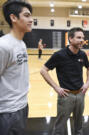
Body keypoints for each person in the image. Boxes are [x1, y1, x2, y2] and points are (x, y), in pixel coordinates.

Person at [40, 27, 89, 135]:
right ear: (70, 39)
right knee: (60, 126)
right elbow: (43, 70)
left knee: (79, 125)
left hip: (80, 94)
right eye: (78, 37)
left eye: (83, 38)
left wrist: (87, 83)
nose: (82, 40)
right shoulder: (59, 55)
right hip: (66, 96)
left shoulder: (82, 54)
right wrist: (56, 87)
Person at [0, 0, 33, 135]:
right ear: (13, 17)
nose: (31, 20)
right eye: (26, 15)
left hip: (22, 106)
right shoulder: (3, 46)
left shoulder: (21, 44)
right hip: (7, 111)